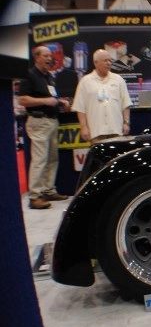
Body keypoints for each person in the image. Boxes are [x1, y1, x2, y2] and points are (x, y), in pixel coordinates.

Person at [17, 45, 71, 209]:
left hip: (52, 121)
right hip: (38, 121)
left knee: (52, 158)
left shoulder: (48, 76)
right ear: (36, 57)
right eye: (46, 56)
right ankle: (35, 196)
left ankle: (48, 190)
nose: (49, 59)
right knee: (40, 160)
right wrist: (45, 101)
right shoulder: (29, 75)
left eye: (50, 56)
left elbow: (50, 97)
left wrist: (60, 102)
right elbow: (23, 100)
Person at [71, 49, 133, 144]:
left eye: (110, 60)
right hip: (96, 132)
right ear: (96, 63)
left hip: (116, 130)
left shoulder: (118, 80)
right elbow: (80, 108)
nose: (108, 63)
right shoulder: (85, 82)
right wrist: (84, 127)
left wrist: (126, 123)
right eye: (105, 61)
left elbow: (126, 104)